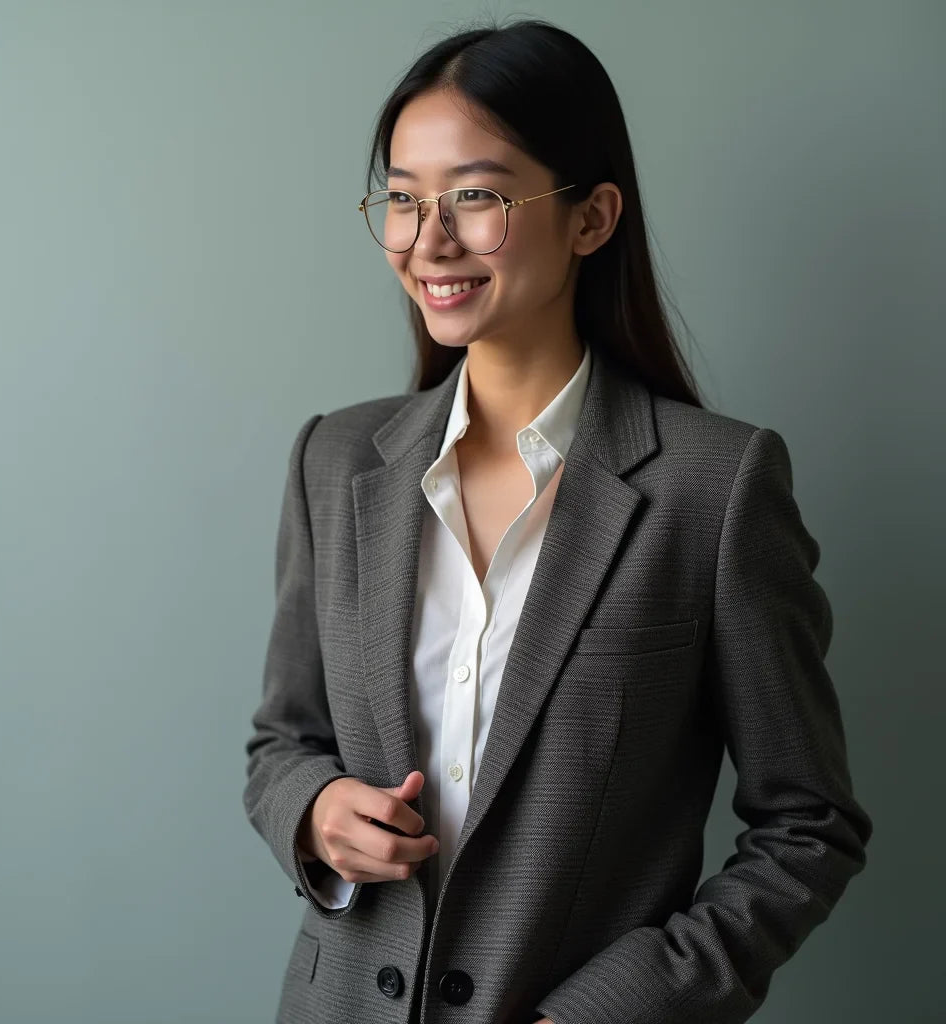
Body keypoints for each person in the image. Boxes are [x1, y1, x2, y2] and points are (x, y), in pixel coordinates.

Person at [242, 18, 872, 1024]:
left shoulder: (716, 487)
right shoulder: (335, 459)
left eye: (475, 196)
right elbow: (283, 739)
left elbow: (808, 824)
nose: (427, 241)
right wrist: (314, 813)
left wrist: (618, 1008)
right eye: (402, 200)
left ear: (592, 217)